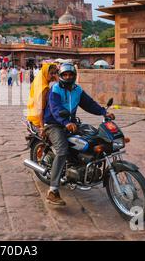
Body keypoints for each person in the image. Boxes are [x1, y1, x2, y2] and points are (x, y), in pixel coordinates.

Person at [43, 63, 115, 205]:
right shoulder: (55, 89)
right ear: (61, 76)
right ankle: (53, 190)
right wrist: (65, 122)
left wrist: (103, 112)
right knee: (62, 151)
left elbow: (89, 103)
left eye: (70, 75)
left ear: (74, 76)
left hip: (71, 123)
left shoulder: (77, 90)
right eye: (65, 75)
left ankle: (80, 167)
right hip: (54, 124)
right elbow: (55, 108)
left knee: (93, 138)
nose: (68, 77)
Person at [26, 63, 58, 136]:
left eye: (55, 73)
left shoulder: (39, 80)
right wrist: (42, 127)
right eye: (51, 73)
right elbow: (40, 109)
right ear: (45, 73)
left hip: (32, 115)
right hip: (38, 119)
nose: (54, 75)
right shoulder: (44, 88)